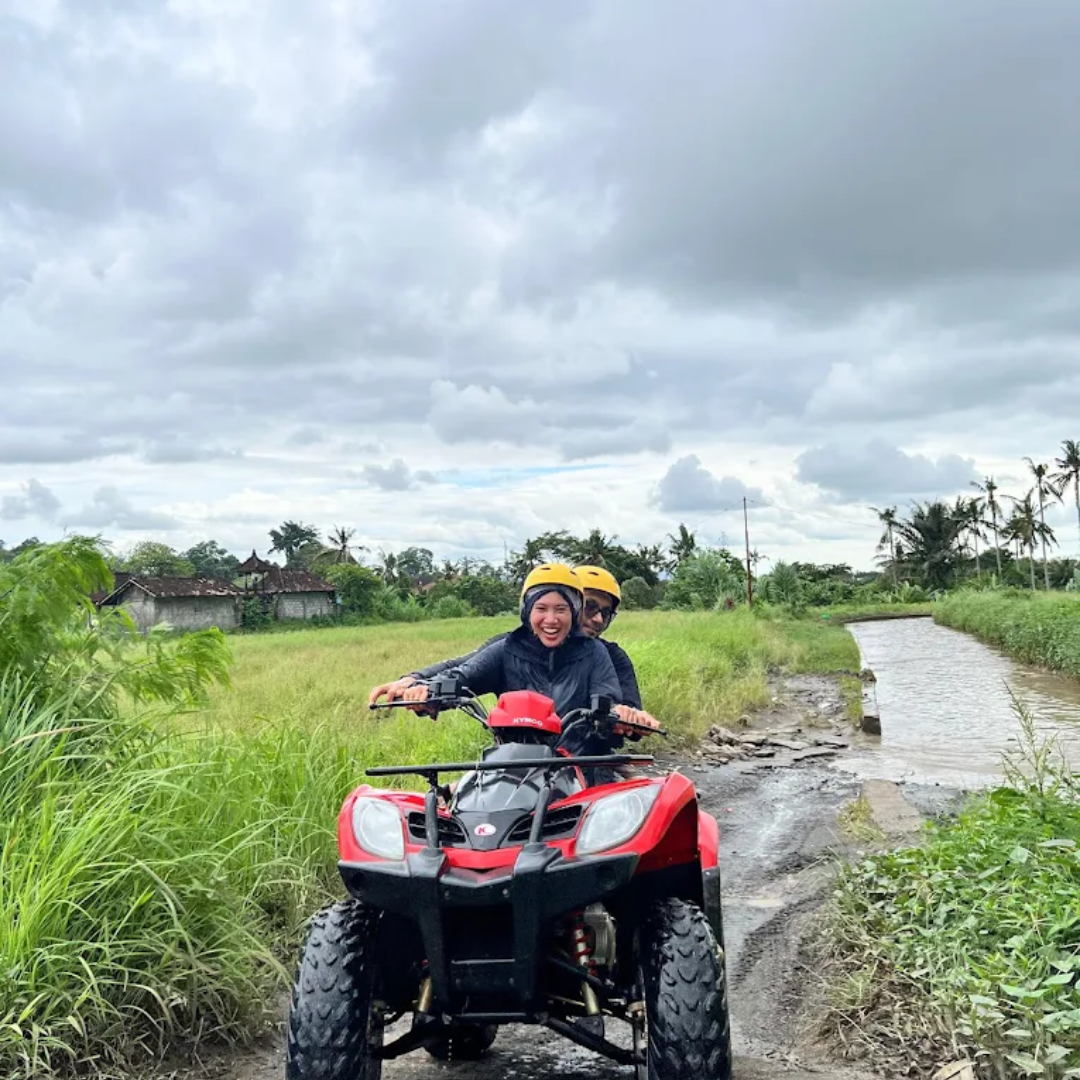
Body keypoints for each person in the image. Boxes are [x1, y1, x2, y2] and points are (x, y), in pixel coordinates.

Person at [370, 563, 647, 759]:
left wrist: (623, 716)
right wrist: (422, 687)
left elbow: (615, 703)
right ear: (528, 611)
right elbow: (465, 671)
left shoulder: (602, 654)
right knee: (454, 804)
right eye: (542, 608)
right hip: (514, 762)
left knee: (634, 818)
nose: (551, 620)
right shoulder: (510, 646)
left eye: (561, 609)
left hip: (583, 763)